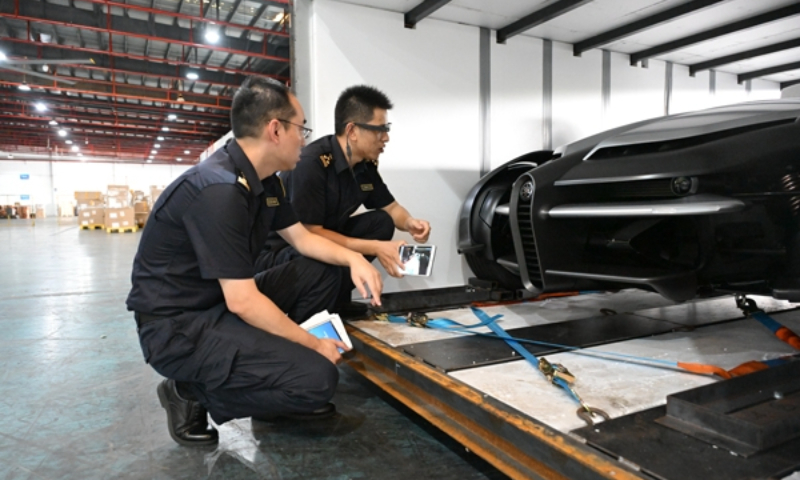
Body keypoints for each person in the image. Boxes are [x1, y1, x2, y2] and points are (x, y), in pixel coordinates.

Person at [126, 76, 383, 447]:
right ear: (275, 130)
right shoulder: (219, 190)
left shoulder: (266, 182)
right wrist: (313, 347)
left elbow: (303, 239)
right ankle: (189, 392)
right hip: (179, 328)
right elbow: (242, 301)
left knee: (324, 270)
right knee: (318, 380)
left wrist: (354, 259)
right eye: (301, 128)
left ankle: (274, 372)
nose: (305, 139)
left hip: (217, 304)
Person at [256, 85, 431, 310]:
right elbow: (310, 234)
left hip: (323, 238)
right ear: (352, 131)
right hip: (286, 250)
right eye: (380, 129)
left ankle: (335, 299)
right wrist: (376, 247)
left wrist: (410, 223)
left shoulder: (365, 166)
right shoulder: (311, 164)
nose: (386, 138)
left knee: (381, 222)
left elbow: (391, 207)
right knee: (323, 260)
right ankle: (311, 315)